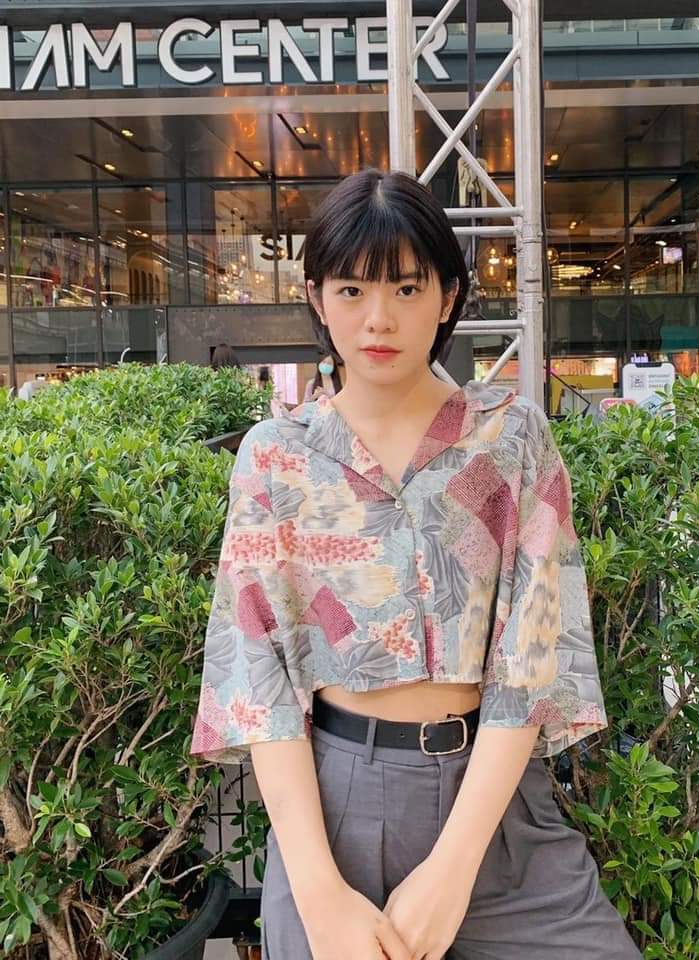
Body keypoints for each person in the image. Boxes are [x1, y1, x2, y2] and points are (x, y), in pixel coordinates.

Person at [190, 169, 641, 960]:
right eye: (352, 290)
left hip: (495, 807)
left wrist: (453, 869)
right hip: (336, 813)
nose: (379, 318)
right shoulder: (278, 459)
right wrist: (319, 891)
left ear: (448, 296)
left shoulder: (509, 440)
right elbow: (257, 679)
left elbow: (533, 654)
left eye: (406, 288)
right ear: (316, 298)